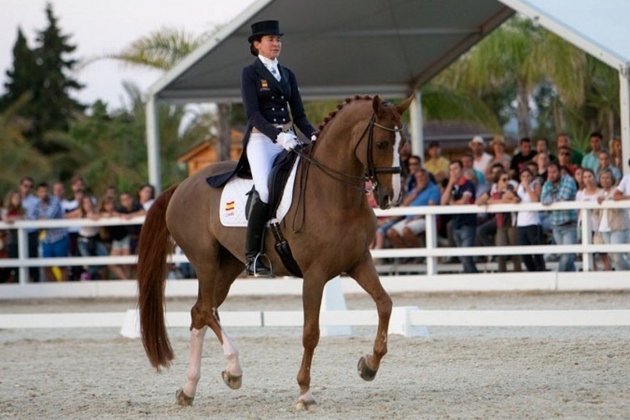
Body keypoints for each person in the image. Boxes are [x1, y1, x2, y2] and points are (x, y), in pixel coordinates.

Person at [240, 20, 318, 276]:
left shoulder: (287, 74)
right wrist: (278, 136)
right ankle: (253, 255)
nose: (276, 43)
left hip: (288, 138)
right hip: (262, 141)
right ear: (256, 44)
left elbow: (300, 115)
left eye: (278, 39)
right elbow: (253, 114)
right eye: (270, 39)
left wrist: (316, 136)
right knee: (264, 190)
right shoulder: (250, 74)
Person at [477, 168, 521, 272]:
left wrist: (491, 201)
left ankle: (518, 274)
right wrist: (502, 201)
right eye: (504, 180)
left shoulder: (510, 188)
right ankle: (502, 274)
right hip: (500, 223)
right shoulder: (492, 189)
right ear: (498, 181)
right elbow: (479, 201)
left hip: (511, 222)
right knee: (500, 252)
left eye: (508, 179)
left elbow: (515, 200)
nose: (507, 182)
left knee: (515, 251)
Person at [386, 169, 441, 249]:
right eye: (417, 177)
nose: (420, 179)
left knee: (406, 230)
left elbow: (431, 207)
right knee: (391, 232)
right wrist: (417, 191)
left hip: (425, 219)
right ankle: (407, 255)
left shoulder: (434, 189)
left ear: (427, 177)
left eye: (422, 176)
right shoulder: (415, 189)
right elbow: (405, 203)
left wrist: (415, 218)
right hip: (410, 219)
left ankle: (419, 255)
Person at [441, 160, 478, 273]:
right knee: (463, 257)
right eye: (451, 169)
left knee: (466, 256)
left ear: (462, 169)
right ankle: (470, 276)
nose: (453, 172)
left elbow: (464, 201)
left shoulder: (468, 184)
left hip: (467, 223)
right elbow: (443, 202)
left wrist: (452, 203)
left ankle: (474, 276)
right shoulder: (452, 186)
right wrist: (450, 183)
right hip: (456, 224)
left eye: (456, 168)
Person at [541, 163, 578, 271]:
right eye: (549, 173)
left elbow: (563, 197)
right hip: (556, 225)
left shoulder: (568, 180)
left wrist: (552, 198)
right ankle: (573, 281)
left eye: (554, 172)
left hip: (569, 224)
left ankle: (559, 278)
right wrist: (553, 198)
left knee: (567, 256)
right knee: (566, 256)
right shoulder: (548, 183)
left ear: (560, 172)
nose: (551, 175)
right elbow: (544, 200)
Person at [33, 182, 69, 282]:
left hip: (60, 237)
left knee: (62, 266)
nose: (43, 193)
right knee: (46, 266)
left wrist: (40, 220)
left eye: (45, 191)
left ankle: (65, 289)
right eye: (41, 191)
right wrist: (39, 220)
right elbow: (33, 217)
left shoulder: (55, 201)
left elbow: (49, 216)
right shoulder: (37, 204)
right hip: (47, 239)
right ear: (37, 193)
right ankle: (56, 288)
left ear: (49, 192)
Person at [67, 195, 109, 280]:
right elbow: (66, 216)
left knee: (104, 257)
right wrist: (77, 219)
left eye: (89, 202)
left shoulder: (97, 211)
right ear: (82, 205)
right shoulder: (80, 212)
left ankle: (88, 273)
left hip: (95, 238)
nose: (88, 204)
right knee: (88, 261)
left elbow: (107, 215)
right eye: (85, 203)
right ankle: (90, 275)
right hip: (83, 239)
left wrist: (96, 217)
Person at [576, 168, 609, 271]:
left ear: (595, 177)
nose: (587, 179)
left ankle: (608, 273)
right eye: (585, 177)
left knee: (603, 253)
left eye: (590, 176)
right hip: (584, 226)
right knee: (589, 254)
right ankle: (593, 273)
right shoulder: (580, 194)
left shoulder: (602, 192)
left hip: (598, 227)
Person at [597, 169, 630, 271]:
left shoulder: (617, 190)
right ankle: (622, 278)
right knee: (612, 256)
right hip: (604, 228)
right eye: (602, 178)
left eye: (607, 178)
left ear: (612, 179)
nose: (605, 180)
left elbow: (618, 202)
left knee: (617, 255)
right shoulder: (599, 192)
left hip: (618, 226)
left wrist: (607, 200)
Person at [514, 168, 546, 271]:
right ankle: (532, 271)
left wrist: (527, 186)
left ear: (531, 177)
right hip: (521, 223)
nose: (526, 178)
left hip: (533, 223)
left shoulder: (535, 185)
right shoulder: (518, 187)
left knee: (537, 252)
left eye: (528, 176)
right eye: (523, 176)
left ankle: (541, 271)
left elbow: (536, 199)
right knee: (524, 253)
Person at [19, 177, 40, 282]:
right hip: (17, 234)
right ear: (21, 186)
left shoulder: (35, 201)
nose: (27, 188)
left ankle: (35, 282)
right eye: (25, 186)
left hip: (32, 232)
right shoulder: (15, 199)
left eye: (30, 186)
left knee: (33, 258)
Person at [1, 190, 24, 282]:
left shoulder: (23, 210)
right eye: (15, 198)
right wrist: (12, 219)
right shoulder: (5, 210)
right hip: (10, 241)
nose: (17, 200)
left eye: (18, 198)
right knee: (12, 264)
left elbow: (23, 218)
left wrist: (13, 219)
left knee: (21, 264)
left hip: (22, 241)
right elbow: (5, 219)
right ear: (10, 199)